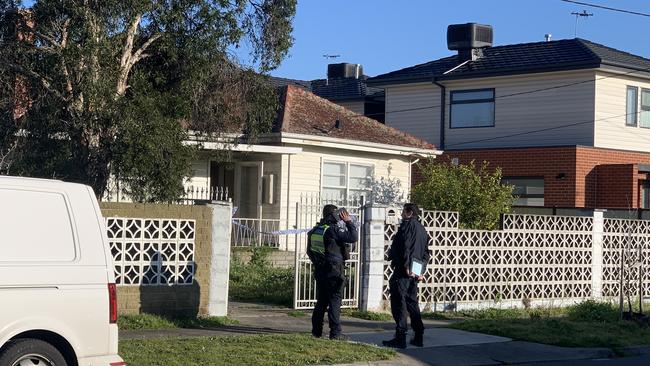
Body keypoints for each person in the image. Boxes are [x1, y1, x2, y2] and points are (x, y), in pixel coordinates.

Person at [383, 203, 431, 349]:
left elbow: (407, 247)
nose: (401, 214)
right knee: (412, 303)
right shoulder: (422, 229)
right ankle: (418, 336)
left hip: (404, 271)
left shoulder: (408, 226)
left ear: (409, 213)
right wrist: (420, 271)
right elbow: (425, 253)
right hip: (414, 272)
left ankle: (400, 337)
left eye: (403, 211)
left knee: (399, 303)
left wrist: (407, 266)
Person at [307, 204, 358, 340]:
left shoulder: (314, 230)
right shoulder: (332, 230)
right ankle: (335, 333)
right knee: (335, 301)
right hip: (334, 272)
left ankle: (316, 332)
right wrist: (348, 221)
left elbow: (309, 251)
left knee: (321, 302)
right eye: (338, 214)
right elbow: (353, 237)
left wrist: (319, 263)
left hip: (320, 270)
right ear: (334, 215)